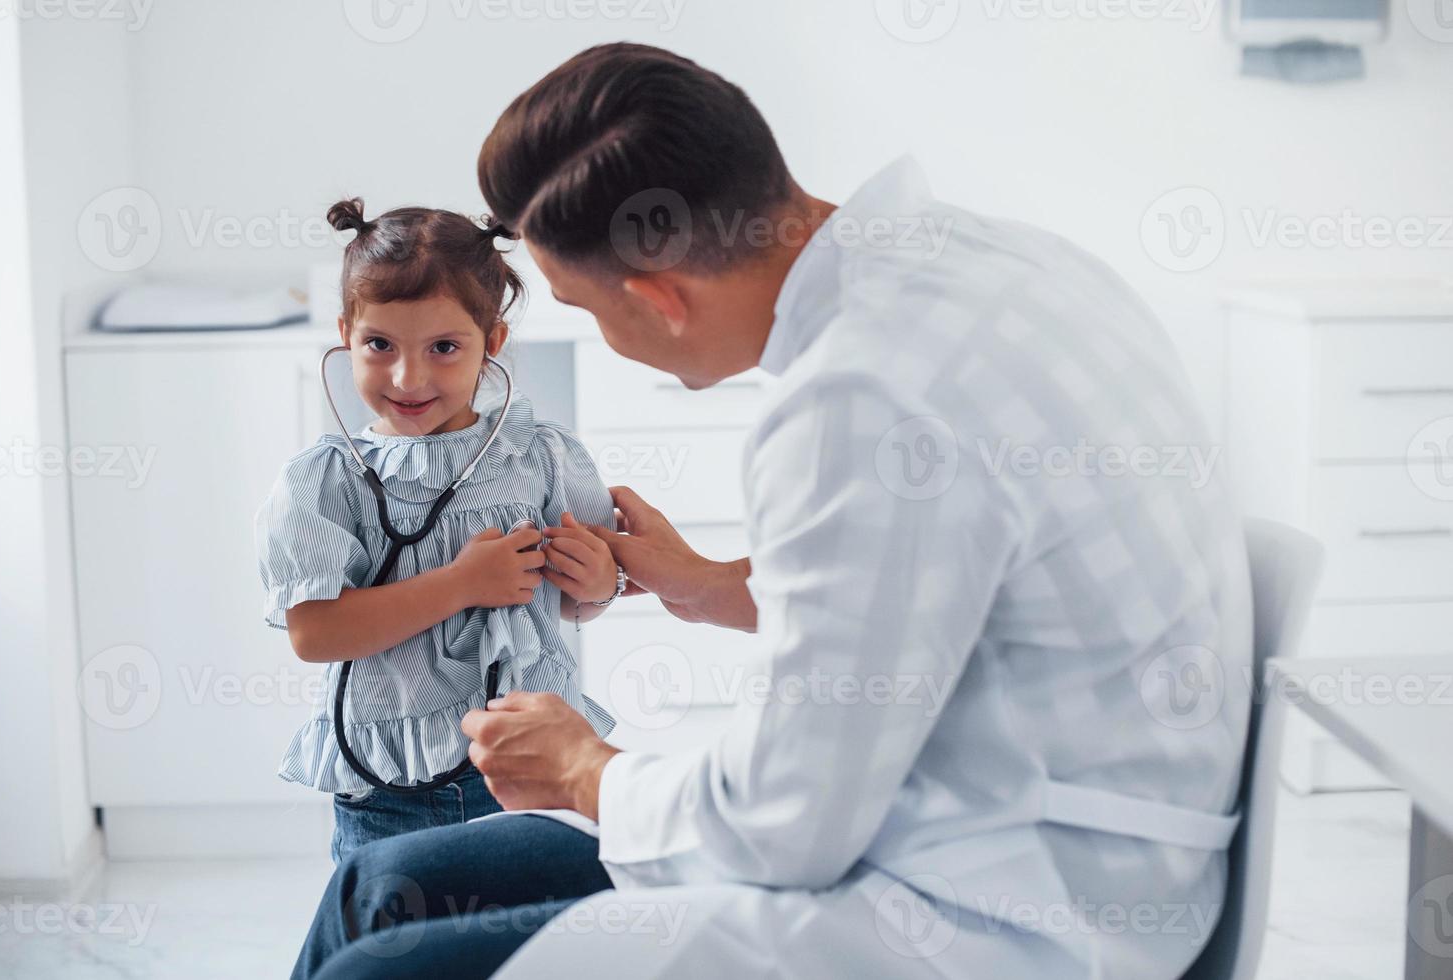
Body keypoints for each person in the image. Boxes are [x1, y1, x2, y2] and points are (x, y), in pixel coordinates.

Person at [292, 43, 1252, 979]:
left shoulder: (860, 398)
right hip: (1022, 824)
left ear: (661, 297)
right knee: (377, 886)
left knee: (383, 964)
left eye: (586, 310)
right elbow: (957, 587)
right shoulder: (1000, 262)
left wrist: (587, 769)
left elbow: (780, 828)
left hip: (996, 908)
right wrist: (710, 586)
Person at [254, 198, 624, 865]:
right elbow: (315, 634)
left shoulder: (540, 457)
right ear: (345, 334)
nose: (409, 377)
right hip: (387, 792)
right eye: (379, 345)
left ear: (494, 342)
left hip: (531, 769)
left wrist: (599, 582)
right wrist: (460, 584)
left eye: (445, 347)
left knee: (514, 952)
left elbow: (577, 604)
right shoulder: (323, 482)